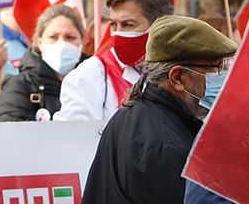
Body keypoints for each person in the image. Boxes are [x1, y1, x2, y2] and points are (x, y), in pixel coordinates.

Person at [83, 15, 237, 204]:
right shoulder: (165, 145)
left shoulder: (135, 112)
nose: (224, 77)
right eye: (216, 68)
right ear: (178, 77)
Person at [55, 0, 174, 122]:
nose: (118, 33)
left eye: (128, 25)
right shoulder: (89, 76)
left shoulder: (180, 73)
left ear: (159, 27)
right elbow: (74, 138)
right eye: (113, 25)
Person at [0, 5, 87, 122]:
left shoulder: (96, 83)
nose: (62, 45)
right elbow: (8, 135)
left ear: (82, 42)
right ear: (40, 43)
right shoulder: (20, 87)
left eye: (70, 37)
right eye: (53, 37)